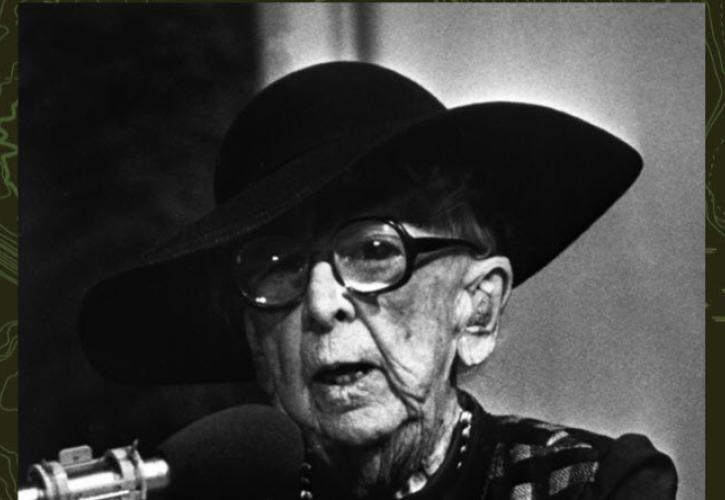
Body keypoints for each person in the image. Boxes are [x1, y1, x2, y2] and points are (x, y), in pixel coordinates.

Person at [79, 62, 677, 499]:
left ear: (476, 311)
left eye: (372, 249)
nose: (320, 302)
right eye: (278, 265)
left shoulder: (590, 487)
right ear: (259, 350)